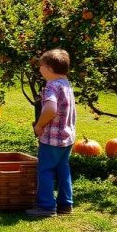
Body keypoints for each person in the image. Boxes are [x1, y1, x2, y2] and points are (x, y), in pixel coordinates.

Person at [26, 49, 76, 218]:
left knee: (45, 170)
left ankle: (46, 206)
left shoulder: (51, 87)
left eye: (41, 66)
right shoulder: (66, 84)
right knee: (63, 169)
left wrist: (39, 125)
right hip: (67, 137)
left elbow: (50, 109)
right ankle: (65, 205)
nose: (39, 69)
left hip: (51, 138)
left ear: (48, 68)